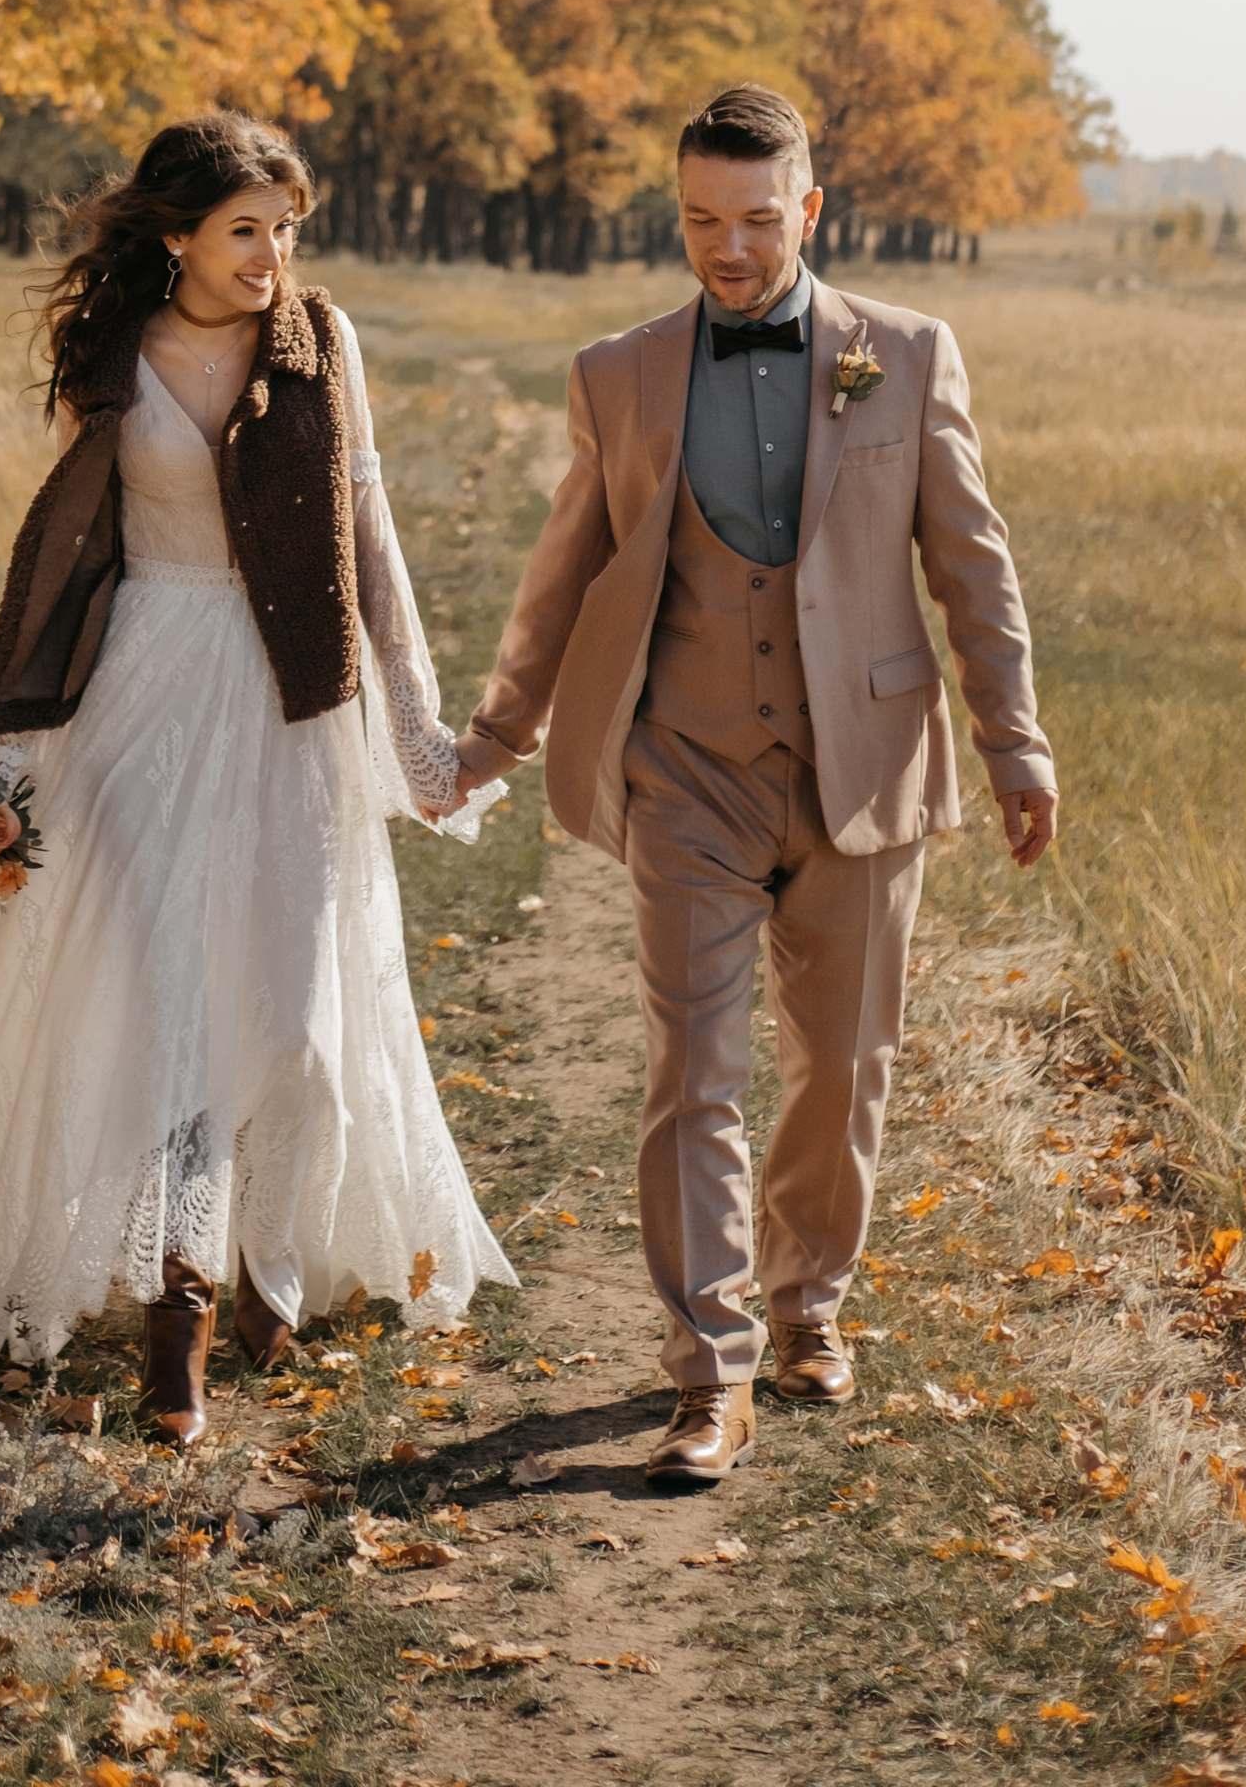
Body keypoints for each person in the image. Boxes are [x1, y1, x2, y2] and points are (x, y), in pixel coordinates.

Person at [448, 82, 1056, 1488]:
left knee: (841, 1070)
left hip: (867, 765)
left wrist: (1015, 740)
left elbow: (973, 563)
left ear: (812, 212)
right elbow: (566, 570)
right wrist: (501, 727)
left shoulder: (906, 354)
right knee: (691, 1074)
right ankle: (709, 1373)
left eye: (757, 221)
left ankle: (807, 1309)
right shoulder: (620, 372)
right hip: (688, 770)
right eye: (700, 222)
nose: (727, 250)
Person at [0, 109, 514, 1439]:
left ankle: (271, 1265)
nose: (273, 254)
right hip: (143, 698)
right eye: (248, 230)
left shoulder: (321, 342)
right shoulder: (109, 356)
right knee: (176, 1012)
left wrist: (418, 727)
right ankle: (177, 1314)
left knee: (292, 1026)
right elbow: (69, 555)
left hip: (293, 701)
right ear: (177, 233)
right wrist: (6, 760)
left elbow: (370, 539)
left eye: (286, 229)